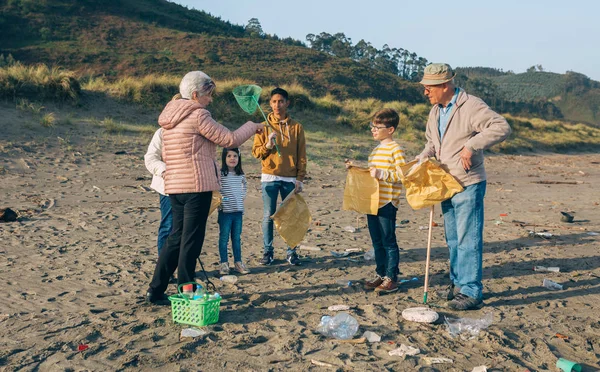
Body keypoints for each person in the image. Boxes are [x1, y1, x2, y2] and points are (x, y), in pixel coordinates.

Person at [145, 71, 264, 305]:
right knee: (191, 241)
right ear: (195, 94)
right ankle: (186, 292)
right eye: (209, 94)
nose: (211, 99)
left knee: (175, 238)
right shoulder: (198, 115)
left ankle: (156, 290)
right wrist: (253, 126)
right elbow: (229, 140)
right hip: (196, 187)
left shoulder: (168, 119)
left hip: (175, 188)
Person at [416, 63, 511, 310]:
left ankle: (471, 290)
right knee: (453, 238)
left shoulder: (471, 105)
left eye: (429, 88)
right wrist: (422, 158)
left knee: (468, 238)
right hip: (446, 183)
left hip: (469, 182)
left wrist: (472, 146)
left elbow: (501, 127)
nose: (425, 92)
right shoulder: (435, 110)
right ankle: (458, 285)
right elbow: (431, 142)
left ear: (445, 85)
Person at [348, 108, 406, 293]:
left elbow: (403, 175)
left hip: (387, 202)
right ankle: (381, 274)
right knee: (376, 241)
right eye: (372, 126)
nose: (373, 130)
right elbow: (371, 176)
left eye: (377, 127)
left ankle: (391, 278)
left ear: (390, 129)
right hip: (372, 202)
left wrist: (382, 173)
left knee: (388, 241)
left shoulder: (396, 149)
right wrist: (356, 169)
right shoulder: (374, 151)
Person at [252, 87, 307, 266]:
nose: (277, 105)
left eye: (281, 101)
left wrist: (300, 178)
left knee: (290, 216)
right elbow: (256, 153)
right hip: (269, 177)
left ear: (287, 103)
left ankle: (291, 252)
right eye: (274, 101)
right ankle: (268, 252)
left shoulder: (297, 127)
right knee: (269, 214)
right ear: (270, 103)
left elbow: (302, 155)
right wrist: (268, 144)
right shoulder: (263, 127)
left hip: (290, 178)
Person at [144, 127, 175, 283]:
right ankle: (165, 269)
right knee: (168, 226)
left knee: (187, 230)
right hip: (167, 187)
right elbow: (151, 157)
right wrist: (164, 170)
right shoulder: (163, 131)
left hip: (191, 188)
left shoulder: (196, 126)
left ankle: (183, 267)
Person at [218, 147, 251, 275]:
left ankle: (238, 263)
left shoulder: (240, 175)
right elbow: (217, 191)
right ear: (224, 158)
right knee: (224, 238)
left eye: (235, 156)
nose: (232, 158)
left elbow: (244, 187)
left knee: (236, 238)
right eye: (229, 156)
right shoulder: (221, 174)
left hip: (238, 212)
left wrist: (240, 197)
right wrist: (223, 200)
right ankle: (224, 264)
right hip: (225, 212)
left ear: (239, 158)